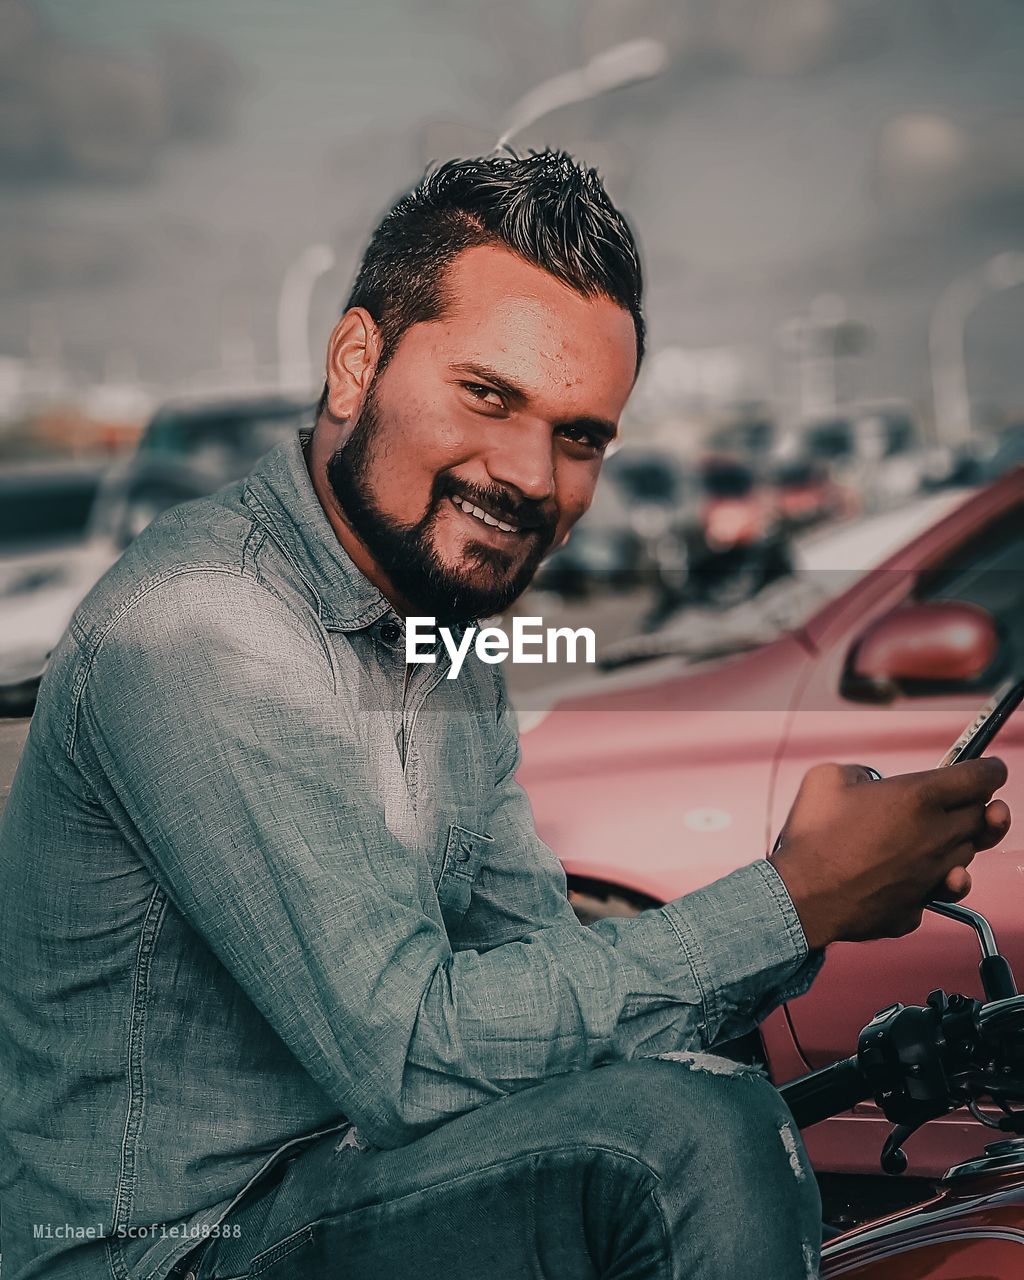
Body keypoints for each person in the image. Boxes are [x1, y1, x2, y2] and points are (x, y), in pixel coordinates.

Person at [0, 151, 1010, 1280]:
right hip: (165, 1251)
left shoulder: (444, 641)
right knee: (681, 1145)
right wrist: (791, 901)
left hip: (350, 1188)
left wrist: (809, 896)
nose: (530, 473)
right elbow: (413, 1052)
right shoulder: (200, 623)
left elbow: (537, 998)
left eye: (579, 435)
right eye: (488, 395)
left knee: (705, 1097)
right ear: (354, 363)